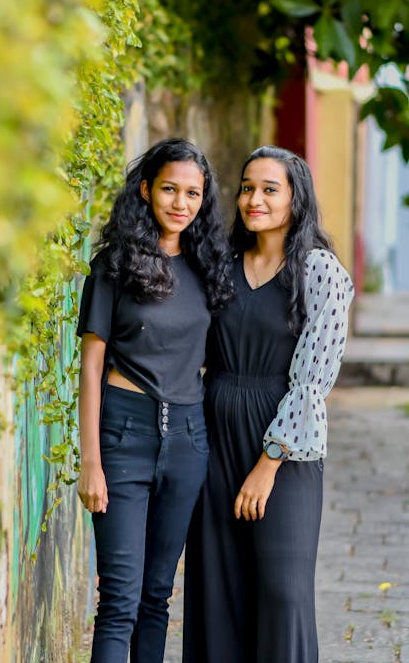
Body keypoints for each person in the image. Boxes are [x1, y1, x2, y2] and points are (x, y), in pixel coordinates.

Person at [183, 145, 354, 663]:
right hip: (214, 433)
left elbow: (312, 382)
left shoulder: (320, 271)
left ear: (296, 199)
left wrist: (268, 463)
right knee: (219, 588)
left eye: (269, 189)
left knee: (283, 589)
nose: (254, 199)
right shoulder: (219, 266)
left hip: (286, 443)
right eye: (247, 187)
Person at [76, 138, 234, 663]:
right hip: (124, 435)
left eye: (193, 193)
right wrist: (91, 463)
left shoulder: (209, 268)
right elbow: (92, 367)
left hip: (189, 440)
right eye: (169, 189)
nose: (180, 203)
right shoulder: (112, 268)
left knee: (155, 597)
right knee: (119, 599)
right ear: (146, 190)